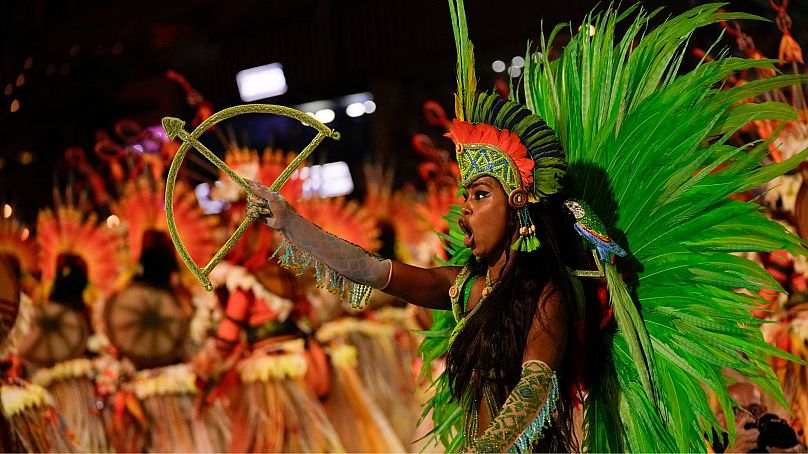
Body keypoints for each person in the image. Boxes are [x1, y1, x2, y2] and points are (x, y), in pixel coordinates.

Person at [201, 1, 808, 452]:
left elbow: (534, 392)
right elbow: (367, 269)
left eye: (480, 194)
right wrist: (287, 221)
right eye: (463, 195)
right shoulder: (466, 287)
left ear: (518, 204)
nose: (462, 208)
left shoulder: (546, 292)